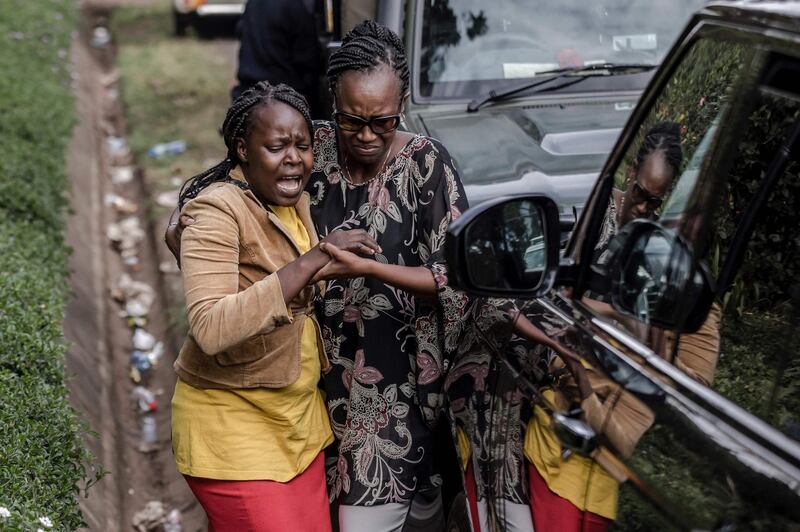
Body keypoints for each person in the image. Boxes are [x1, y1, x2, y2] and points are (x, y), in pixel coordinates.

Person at [168, 21, 470, 531]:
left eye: (384, 121)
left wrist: (374, 270)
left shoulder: (428, 166)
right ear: (332, 100)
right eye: (353, 120)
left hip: (388, 399)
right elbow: (227, 184)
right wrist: (180, 223)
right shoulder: (309, 146)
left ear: (403, 103)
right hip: (304, 395)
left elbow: (457, 280)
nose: (368, 135)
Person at [170, 81, 379, 531]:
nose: (294, 158)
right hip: (234, 433)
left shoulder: (293, 203)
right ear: (243, 149)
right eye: (277, 146)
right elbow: (209, 326)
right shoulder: (216, 211)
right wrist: (316, 258)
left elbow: (274, 282)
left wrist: (324, 268)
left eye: (303, 146)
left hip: (296, 429)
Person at [232, 0, 323, 117]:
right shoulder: (296, 5)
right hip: (283, 98)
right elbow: (307, 59)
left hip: (248, 92)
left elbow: (240, 32)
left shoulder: (252, 3)